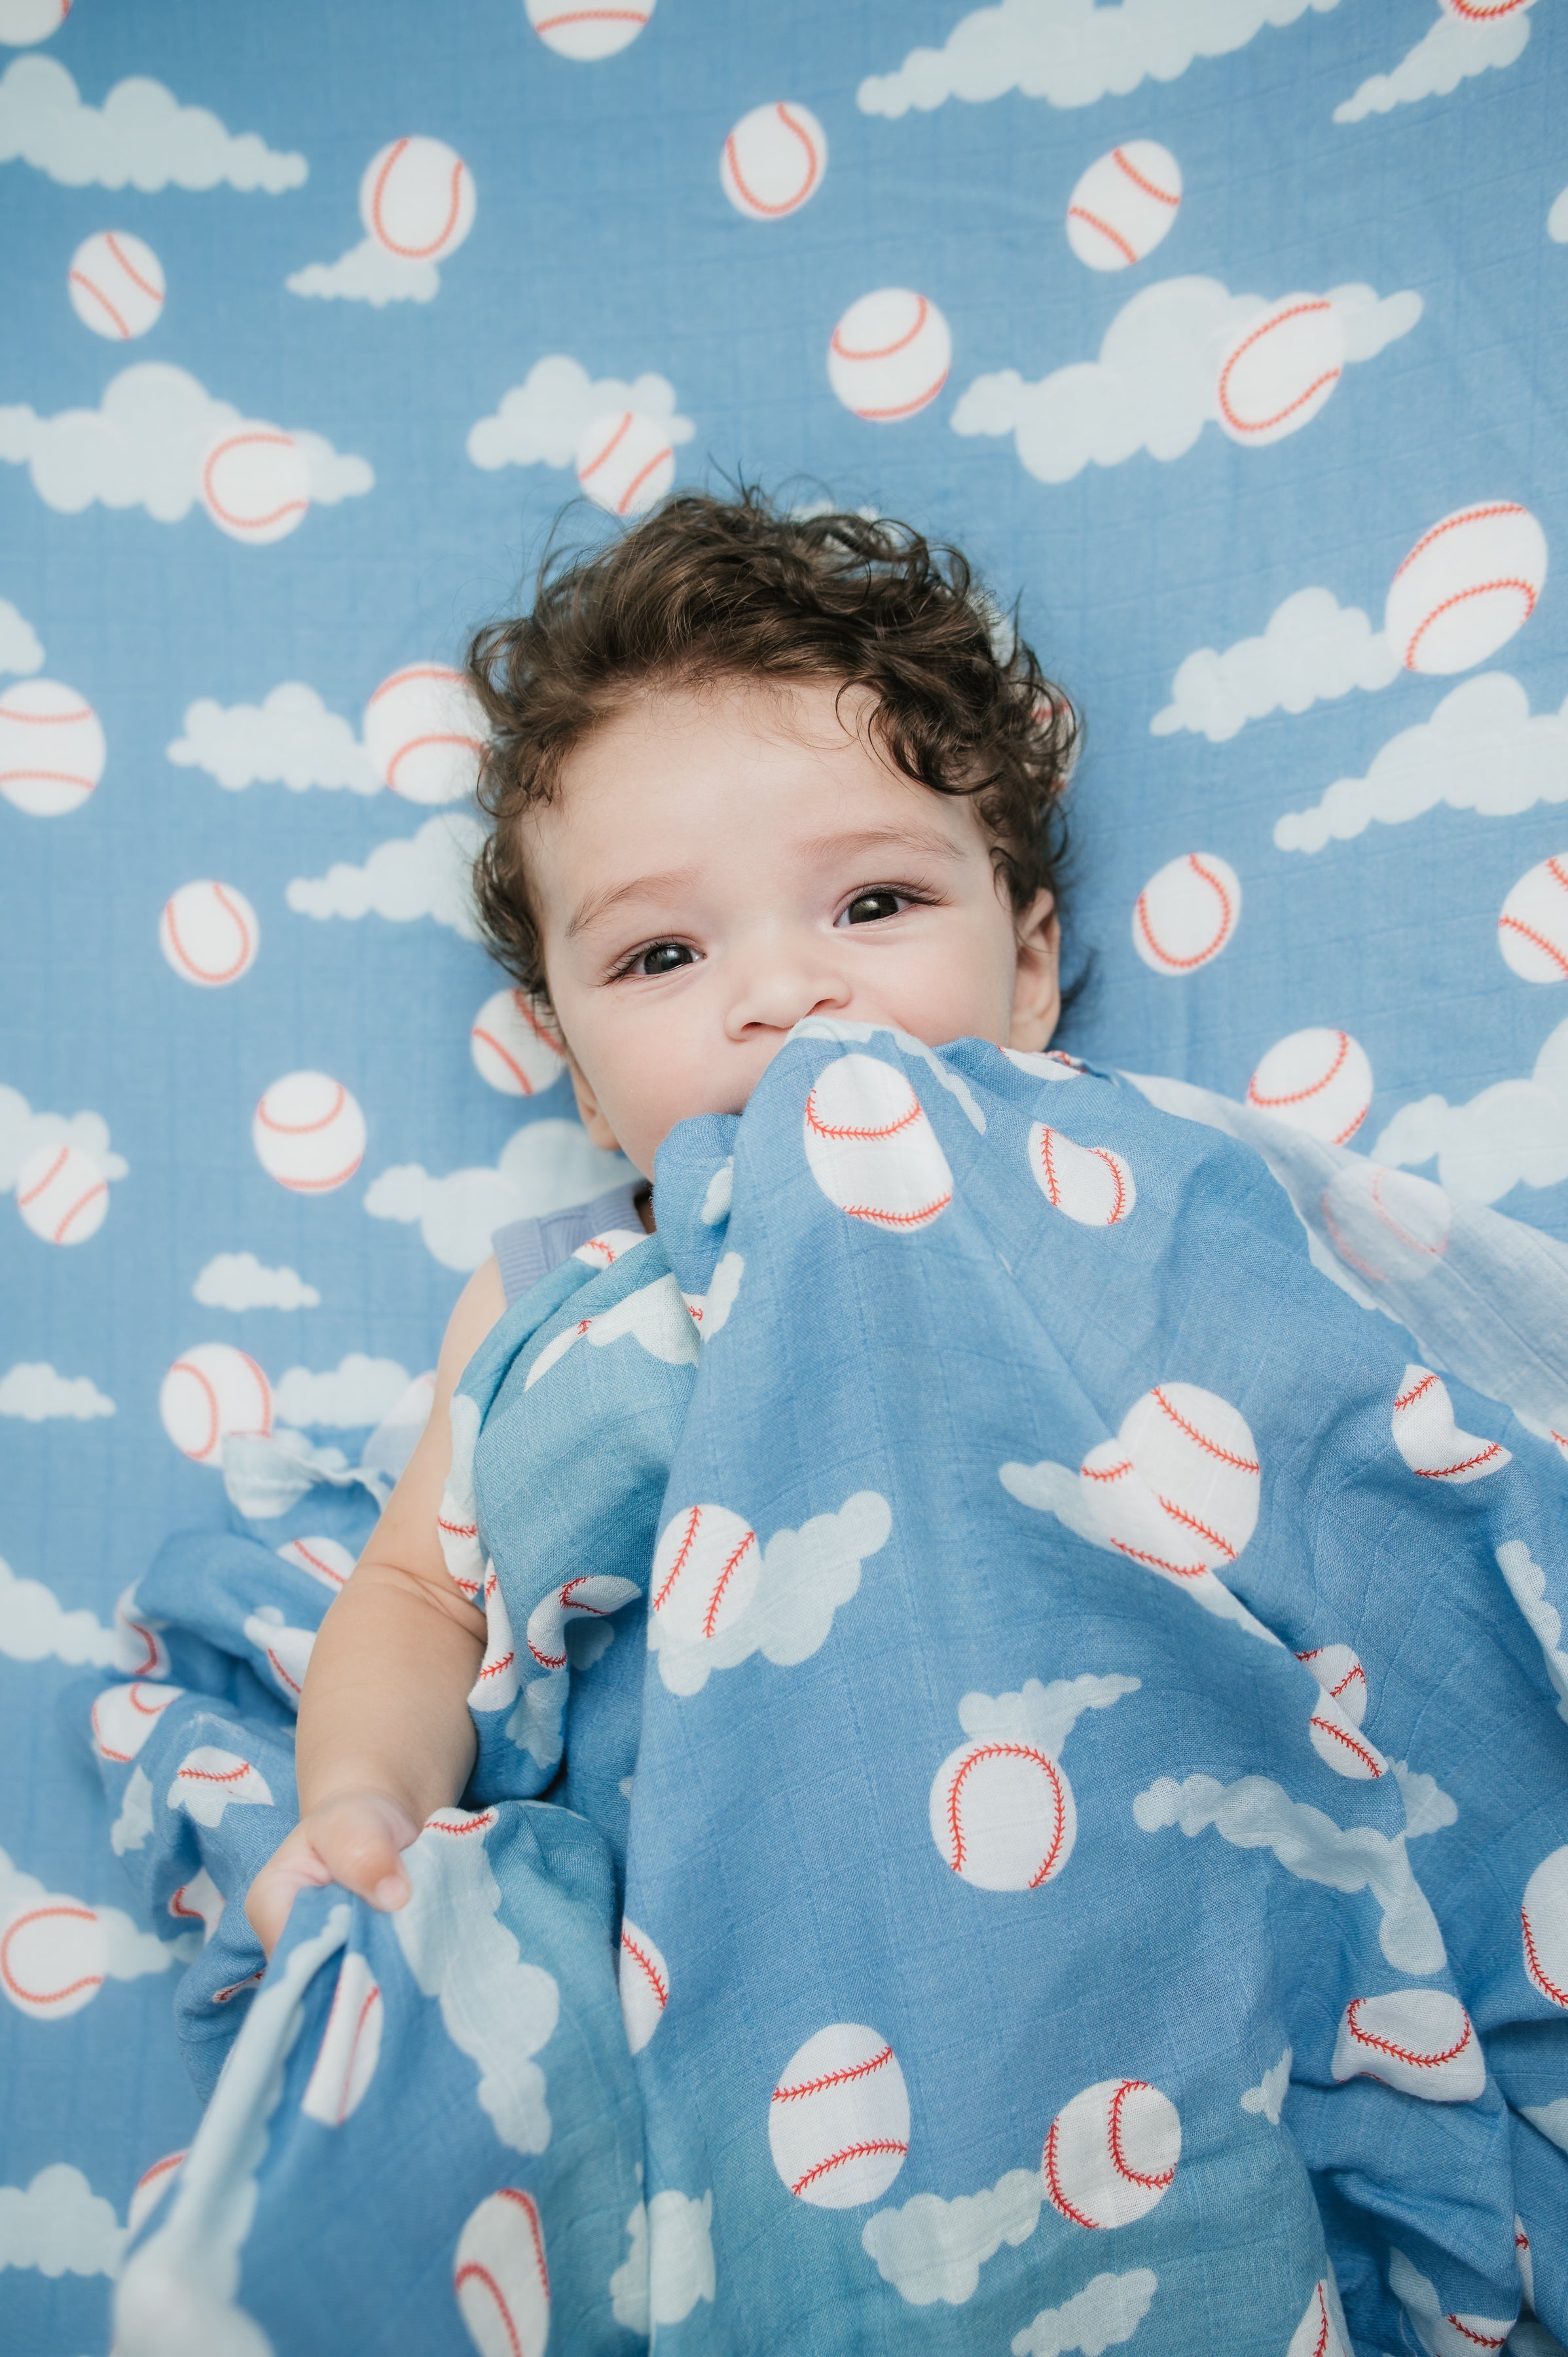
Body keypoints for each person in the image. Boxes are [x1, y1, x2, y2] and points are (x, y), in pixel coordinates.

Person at [246, 488, 1076, 1956]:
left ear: (1024, 972)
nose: (783, 991)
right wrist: (366, 1796)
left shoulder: (1090, 1193)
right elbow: (422, 1595)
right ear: (577, 1071)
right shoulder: (550, 1299)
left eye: (873, 903)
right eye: (664, 953)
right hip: (706, 1916)